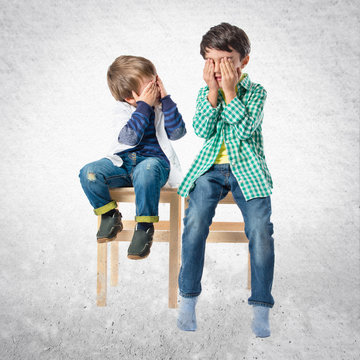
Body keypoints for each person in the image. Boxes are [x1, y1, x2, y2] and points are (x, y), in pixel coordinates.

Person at [176, 23, 274, 338]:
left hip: (247, 170)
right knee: (194, 224)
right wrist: (214, 92)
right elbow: (203, 130)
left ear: (243, 61)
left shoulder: (256, 92)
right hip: (210, 171)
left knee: (260, 231)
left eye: (225, 60)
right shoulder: (206, 92)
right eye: (211, 60)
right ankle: (188, 300)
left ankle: (261, 308)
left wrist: (231, 92)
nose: (218, 68)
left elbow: (244, 130)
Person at [79, 55, 186, 259]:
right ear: (130, 98)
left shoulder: (163, 107)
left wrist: (166, 99)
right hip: (122, 165)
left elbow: (178, 133)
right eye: (149, 87)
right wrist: (143, 106)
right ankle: (109, 215)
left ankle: (144, 226)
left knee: (146, 170)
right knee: (89, 173)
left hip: (153, 167)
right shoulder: (122, 109)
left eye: (155, 83)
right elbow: (130, 138)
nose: (155, 89)